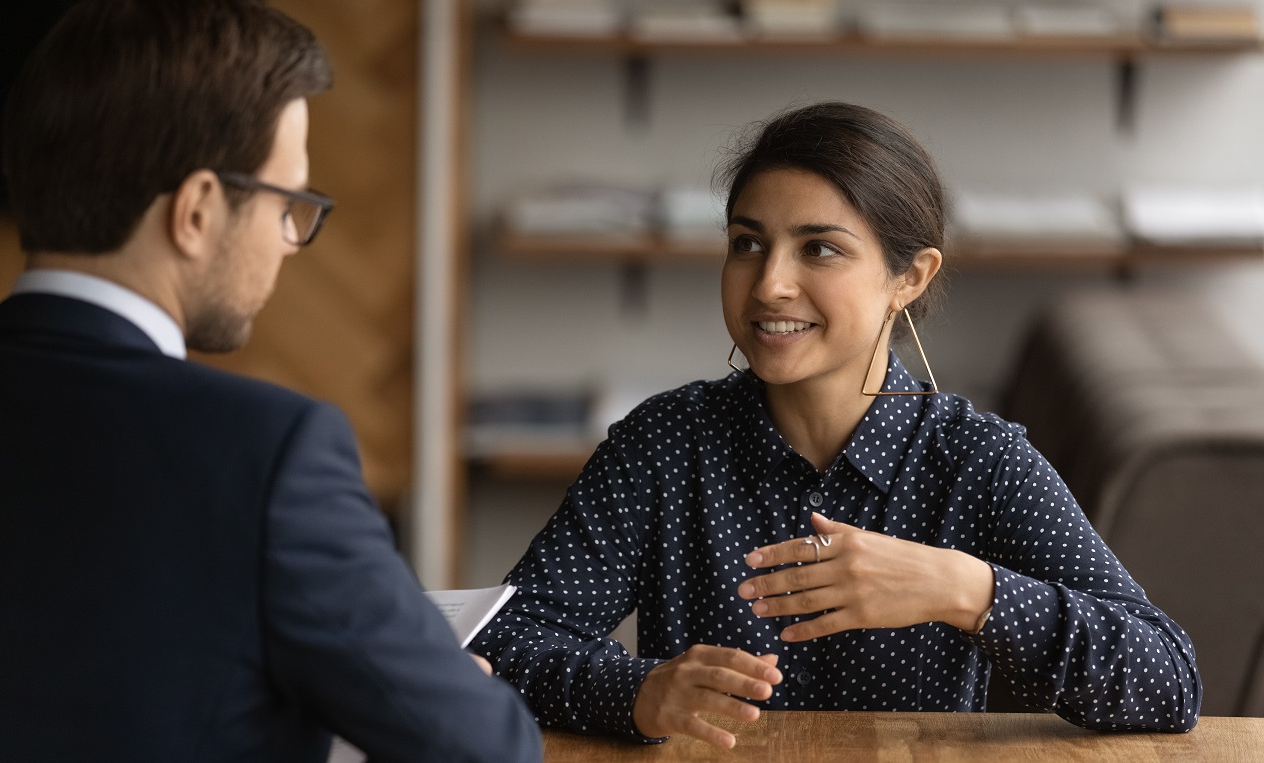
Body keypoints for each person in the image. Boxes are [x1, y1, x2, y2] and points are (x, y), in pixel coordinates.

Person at [472, 101, 1201, 749]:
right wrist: (635, 689)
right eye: (746, 242)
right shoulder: (664, 442)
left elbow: (1168, 680)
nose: (768, 284)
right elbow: (506, 639)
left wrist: (964, 587)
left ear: (908, 278)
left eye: (818, 248)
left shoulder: (978, 461)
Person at [0, 2, 541, 761]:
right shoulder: (269, 452)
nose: (290, 244)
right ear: (199, 209)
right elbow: (485, 749)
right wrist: (439, 691)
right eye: (289, 204)